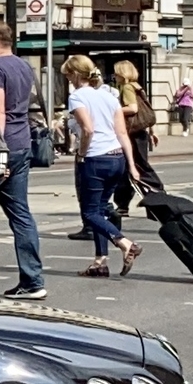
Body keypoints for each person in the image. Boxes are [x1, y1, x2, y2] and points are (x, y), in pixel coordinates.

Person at [0, 23, 47, 298]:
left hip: (0, 147)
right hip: (22, 144)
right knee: (21, 214)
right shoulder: (24, 67)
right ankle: (33, 280)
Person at [63, 54, 139, 276]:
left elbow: (87, 129)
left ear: (76, 74)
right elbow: (122, 132)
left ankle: (125, 243)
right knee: (101, 210)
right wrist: (132, 166)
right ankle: (100, 261)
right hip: (117, 157)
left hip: (95, 158)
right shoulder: (108, 97)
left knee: (89, 213)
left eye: (68, 75)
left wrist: (82, 153)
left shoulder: (77, 97)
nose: (68, 79)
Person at [108, 60, 167, 219]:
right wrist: (151, 130)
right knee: (128, 169)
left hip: (132, 134)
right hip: (140, 132)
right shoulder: (137, 86)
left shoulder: (127, 87)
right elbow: (145, 111)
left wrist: (113, 110)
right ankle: (123, 205)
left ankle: (158, 194)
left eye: (117, 72)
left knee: (138, 167)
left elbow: (133, 108)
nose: (115, 76)